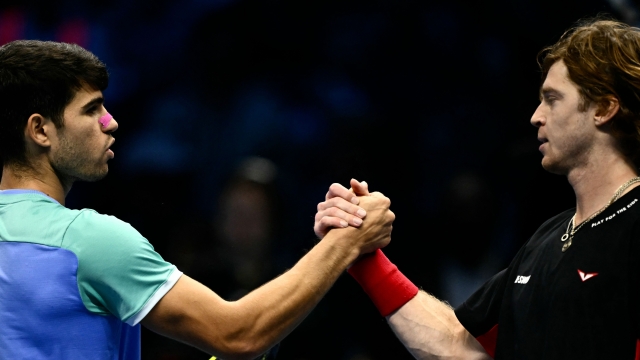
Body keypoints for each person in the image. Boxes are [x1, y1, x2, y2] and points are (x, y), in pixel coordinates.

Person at [0, 40, 395, 360]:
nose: (111, 121)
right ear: (40, 130)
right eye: (92, 109)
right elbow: (238, 335)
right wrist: (347, 240)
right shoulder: (89, 242)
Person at [315, 18, 640, 359]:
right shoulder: (547, 239)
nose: (536, 116)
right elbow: (461, 346)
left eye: (552, 99)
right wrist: (362, 254)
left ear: (603, 108)